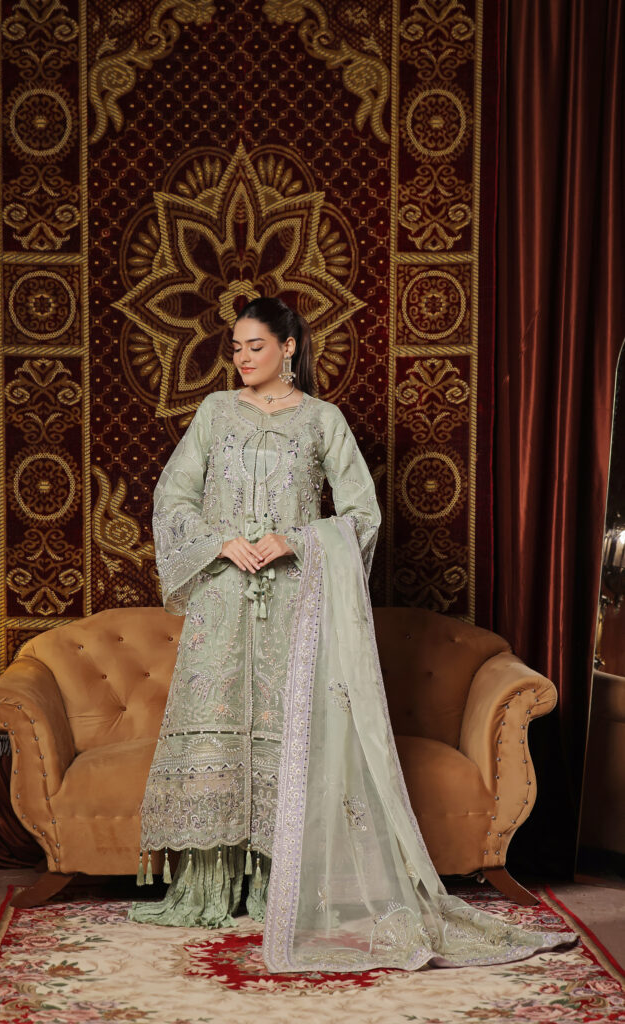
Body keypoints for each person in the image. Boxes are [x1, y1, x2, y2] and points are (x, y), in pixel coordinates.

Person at [129, 295, 577, 972]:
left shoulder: (322, 420)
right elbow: (173, 497)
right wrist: (221, 541)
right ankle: (210, 890)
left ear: (287, 347)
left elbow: (362, 514)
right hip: (221, 603)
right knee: (217, 724)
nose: (242, 358)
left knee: (288, 736)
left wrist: (295, 540)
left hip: (294, 604)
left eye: (255, 346)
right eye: (236, 348)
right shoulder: (215, 413)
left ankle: (282, 889)